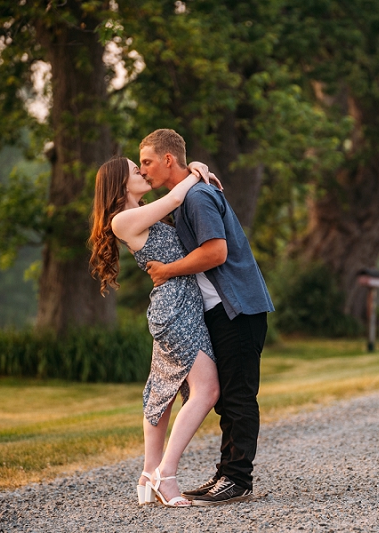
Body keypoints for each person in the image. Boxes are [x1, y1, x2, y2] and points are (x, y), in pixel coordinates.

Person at [139, 128, 274, 506]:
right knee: (227, 396)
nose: (144, 170)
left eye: (147, 161)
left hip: (239, 309)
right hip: (221, 311)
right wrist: (197, 168)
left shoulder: (196, 197)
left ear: (168, 160)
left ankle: (237, 479)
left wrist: (167, 271)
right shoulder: (185, 196)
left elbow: (216, 252)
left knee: (238, 396)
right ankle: (226, 474)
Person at [89, 157, 220, 508]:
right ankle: (167, 474)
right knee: (206, 391)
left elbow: (174, 200)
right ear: (119, 183)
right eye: (136, 170)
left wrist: (191, 166)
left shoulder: (142, 211)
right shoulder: (123, 220)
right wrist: (195, 171)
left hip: (178, 307)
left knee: (161, 392)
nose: (143, 173)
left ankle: (149, 474)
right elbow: (176, 199)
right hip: (175, 310)